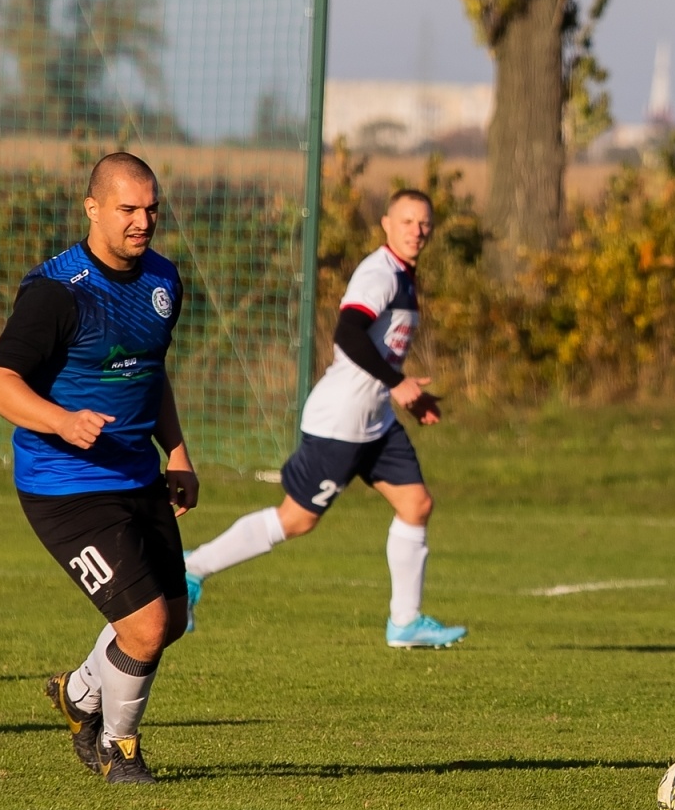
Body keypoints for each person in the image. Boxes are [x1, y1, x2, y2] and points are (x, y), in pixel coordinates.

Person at [0, 152, 195, 785]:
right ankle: (117, 748)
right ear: (93, 209)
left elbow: (150, 375)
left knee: (172, 621)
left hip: (135, 474)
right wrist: (61, 420)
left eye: (151, 208)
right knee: (147, 625)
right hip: (65, 485)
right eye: (128, 209)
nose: (142, 221)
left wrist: (176, 451)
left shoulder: (163, 280)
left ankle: (79, 692)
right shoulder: (56, 292)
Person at [183, 189, 465, 648]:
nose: (417, 231)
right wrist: (396, 384)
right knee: (296, 520)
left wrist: (404, 392)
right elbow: (348, 333)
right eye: (407, 221)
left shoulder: (405, 276)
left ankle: (405, 622)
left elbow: (377, 348)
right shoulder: (380, 273)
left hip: (375, 421)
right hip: (341, 422)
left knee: (416, 505)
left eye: (425, 223)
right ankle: (192, 567)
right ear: (387, 225)